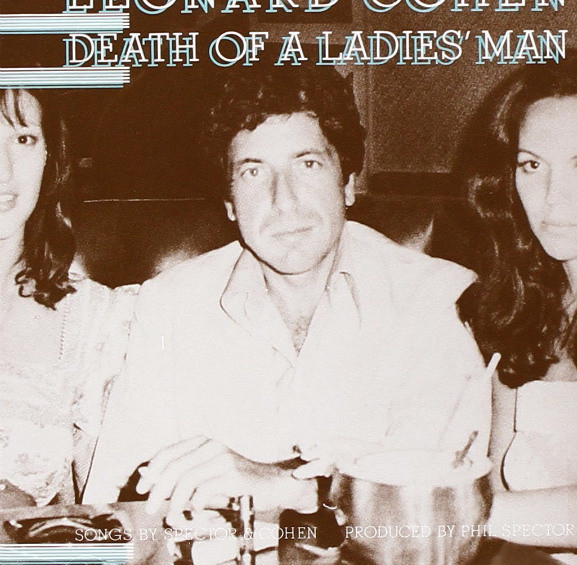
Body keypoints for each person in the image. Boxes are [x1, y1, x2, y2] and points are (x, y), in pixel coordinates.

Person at [85, 65, 486, 526]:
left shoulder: (435, 299)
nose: (284, 200)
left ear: (347, 184)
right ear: (230, 203)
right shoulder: (168, 307)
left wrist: (289, 488)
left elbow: (439, 505)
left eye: (307, 164)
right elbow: (115, 505)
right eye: (253, 172)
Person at [459, 50, 577, 559]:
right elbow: (497, 483)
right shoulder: (523, 306)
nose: (551, 196)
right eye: (532, 165)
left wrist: (457, 513)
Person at [0, 88, 137, 508]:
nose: (3, 170)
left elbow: (104, 508)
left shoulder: (94, 320)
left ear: (49, 157)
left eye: (23, 139)